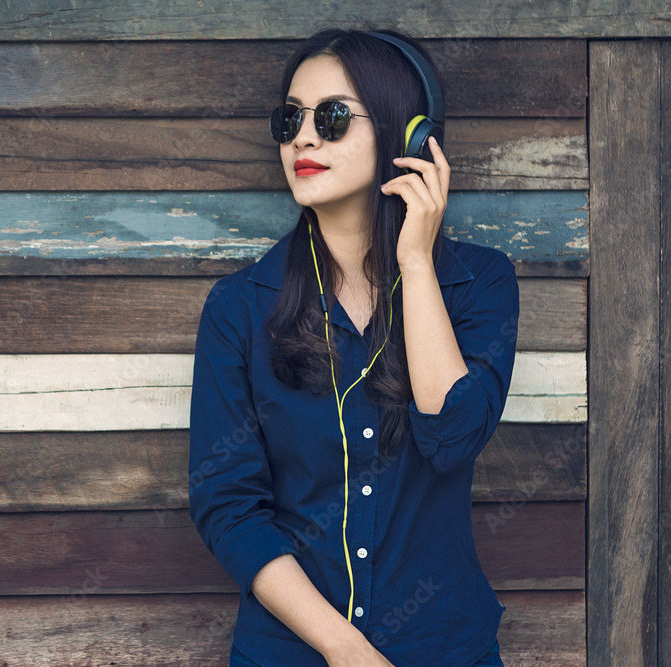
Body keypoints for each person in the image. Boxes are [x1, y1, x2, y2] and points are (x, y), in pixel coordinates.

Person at [188, 27, 517, 667]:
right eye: (291, 119)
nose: (303, 138)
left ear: (408, 135)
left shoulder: (479, 283)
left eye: (333, 117)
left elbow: (451, 436)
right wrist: (347, 652)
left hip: (444, 648)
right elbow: (228, 507)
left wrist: (416, 263)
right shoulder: (239, 307)